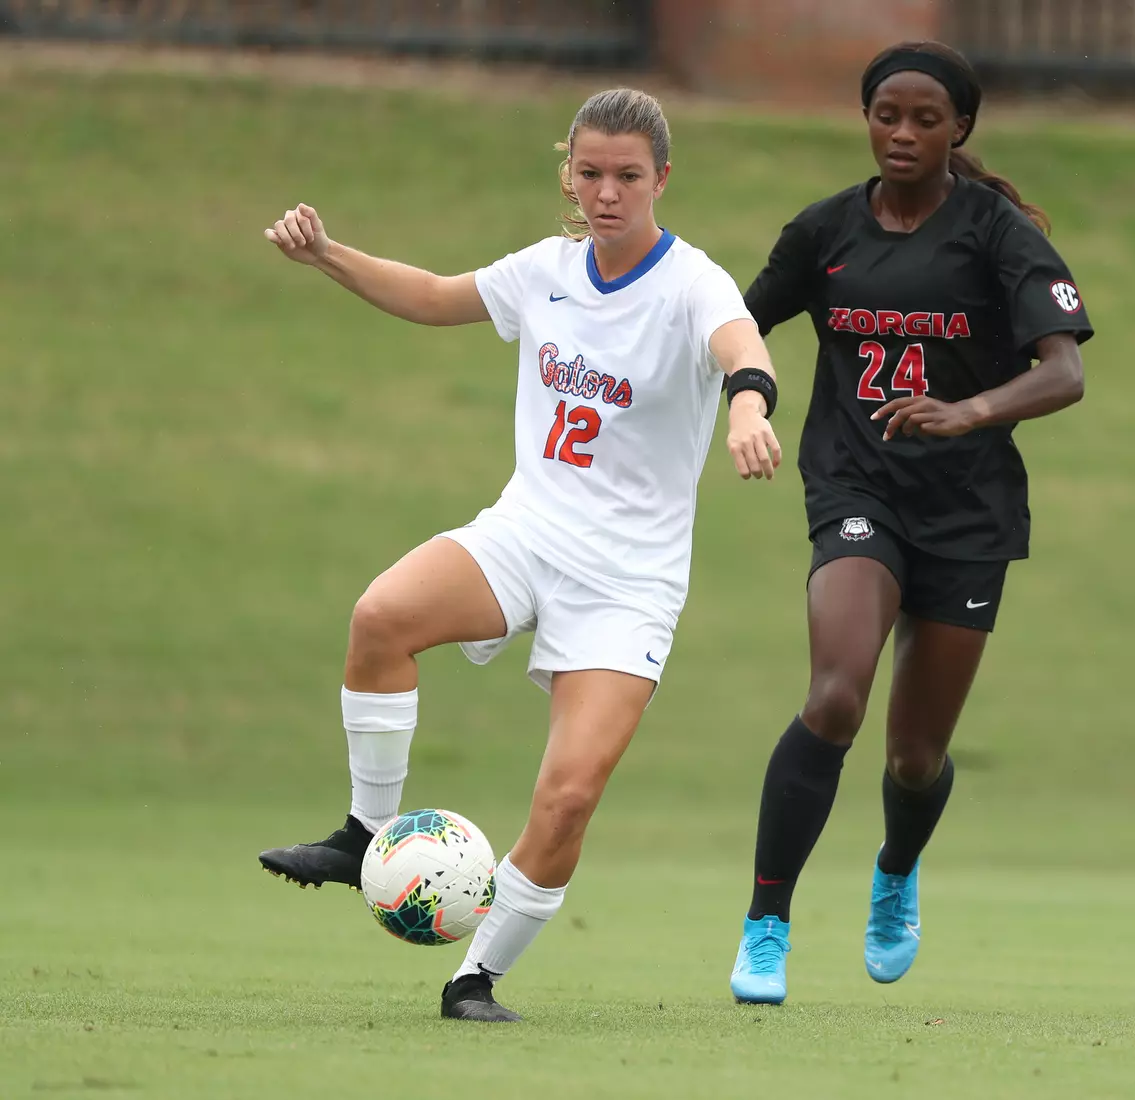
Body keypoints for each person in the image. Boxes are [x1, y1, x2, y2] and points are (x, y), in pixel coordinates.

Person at [253, 88, 784, 1023]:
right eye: (589, 174)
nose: (607, 193)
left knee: (568, 797)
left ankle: (474, 979)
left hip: (629, 581)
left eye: (628, 176)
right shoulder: (545, 268)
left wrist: (747, 406)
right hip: (527, 532)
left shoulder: (694, 281)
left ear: (663, 178)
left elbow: (742, 345)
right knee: (380, 617)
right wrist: (326, 253)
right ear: (567, 175)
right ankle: (364, 833)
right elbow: (431, 296)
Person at [727, 41, 1093, 1005]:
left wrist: (966, 412)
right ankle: (767, 922)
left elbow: (1066, 371)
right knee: (837, 693)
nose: (903, 133)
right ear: (866, 117)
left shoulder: (997, 232)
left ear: (959, 128)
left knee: (913, 755)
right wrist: (746, 398)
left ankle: (895, 871)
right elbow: (736, 321)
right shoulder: (825, 232)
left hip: (968, 512)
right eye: (888, 114)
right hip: (856, 490)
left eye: (926, 118)